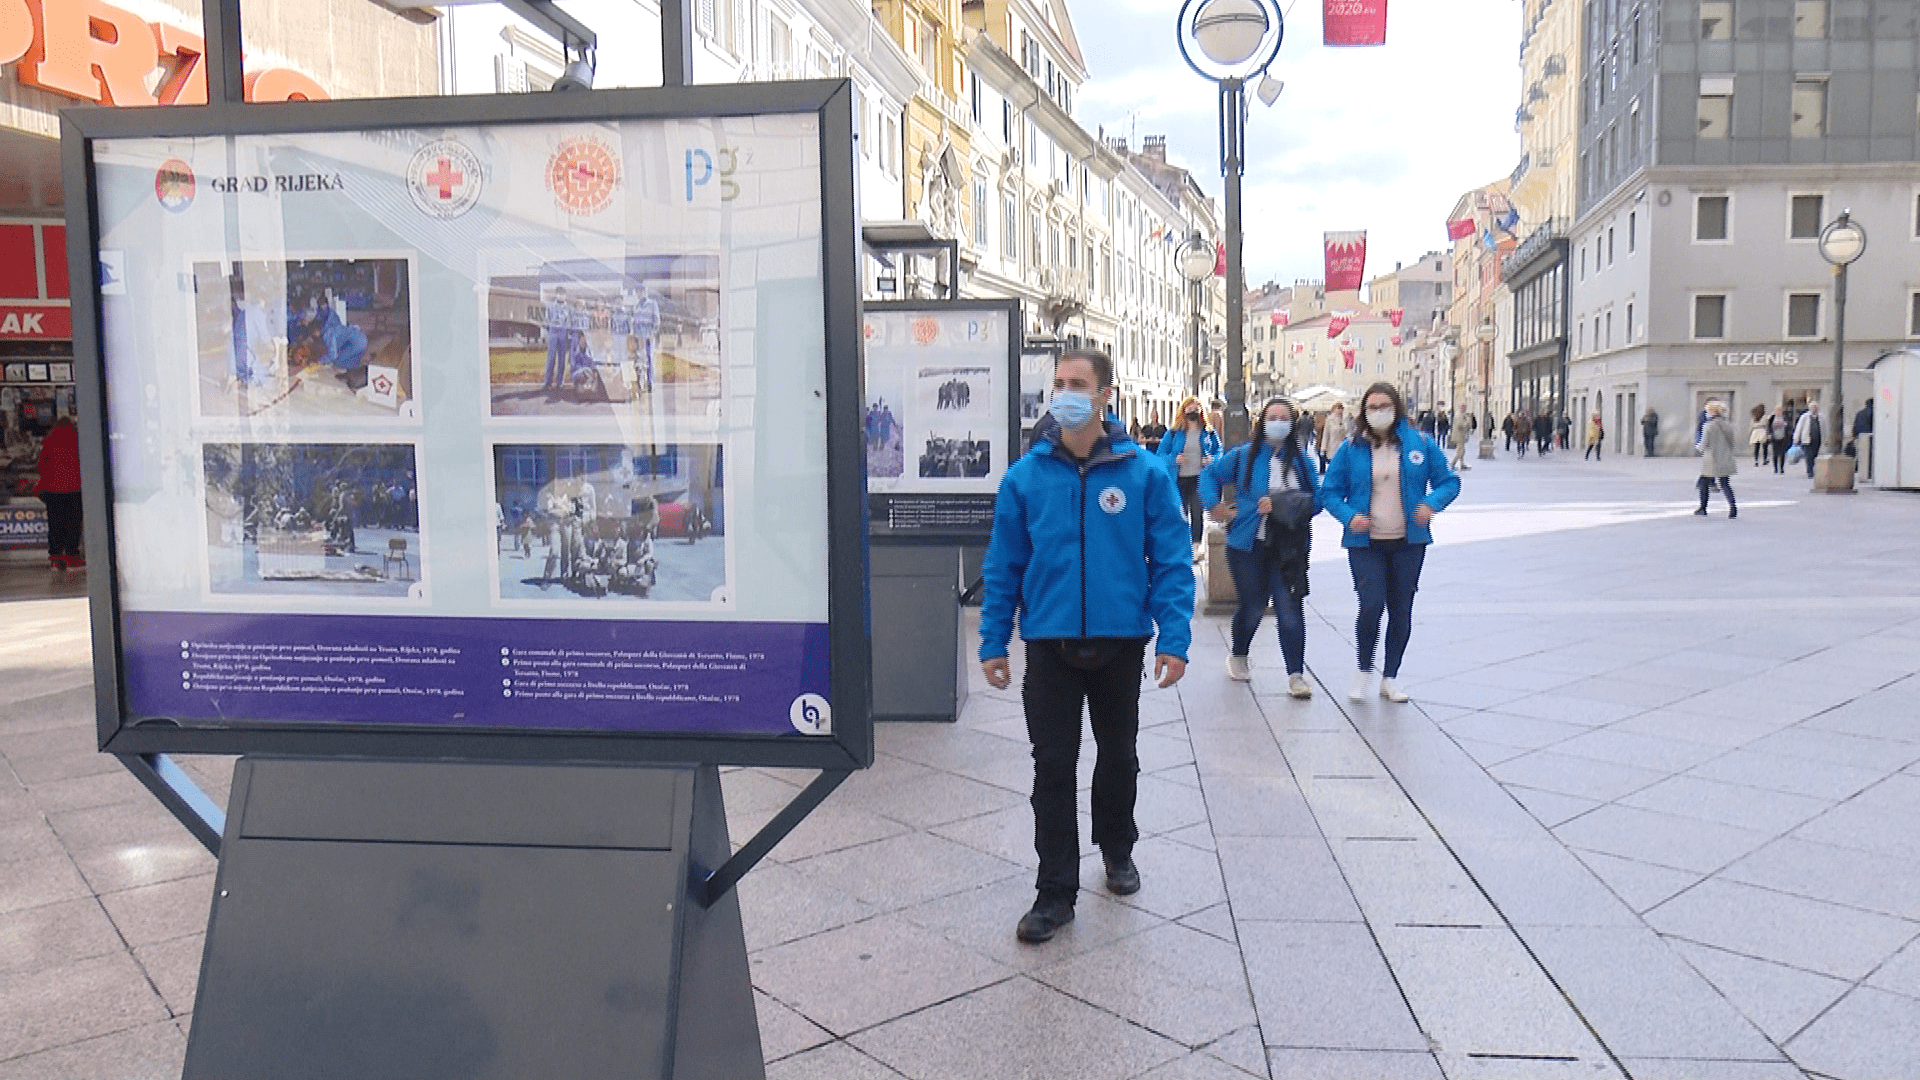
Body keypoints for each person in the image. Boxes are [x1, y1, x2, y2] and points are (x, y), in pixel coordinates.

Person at [979, 348, 1194, 945]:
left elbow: (1173, 561)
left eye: (1077, 384)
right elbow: (1004, 565)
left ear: (1104, 396)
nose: (1063, 392)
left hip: (1119, 643)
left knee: (1118, 755)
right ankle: (1054, 892)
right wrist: (994, 639)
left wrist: (1173, 638)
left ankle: (1118, 847)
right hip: (1049, 644)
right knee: (1052, 766)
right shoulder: (1024, 478)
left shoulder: (1144, 474)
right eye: (1057, 383)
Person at [1320, 383, 1461, 705]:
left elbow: (1449, 481)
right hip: (1365, 542)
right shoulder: (1350, 447)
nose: (1378, 412)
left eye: (1385, 406)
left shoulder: (1419, 444)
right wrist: (1347, 515)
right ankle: (1363, 670)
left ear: (1396, 408)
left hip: (1408, 542)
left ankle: (1391, 676)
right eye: (1372, 407)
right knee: (1370, 606)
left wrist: (1431, 504)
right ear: (1364, 412)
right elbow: (1329, 490)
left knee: (1401, 610)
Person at [1202, 396, 1319, 696]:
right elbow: (1210, 475)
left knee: (1290, 609)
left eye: (1284, 417)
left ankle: (1296, 674)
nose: (1277, 422)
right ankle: (1238, 654)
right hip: (1247, 545)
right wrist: (1215, 507)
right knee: (1253, 607)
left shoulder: (1303, 462)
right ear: (1262, 421)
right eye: (1272, 416)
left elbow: (1316, 501)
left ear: (1292, 424)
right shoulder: (1245, 456)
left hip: (1288, 548)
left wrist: (1282, 504)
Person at [1156, 396, 1222, 550]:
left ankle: (1196, 546)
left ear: (1201, 411)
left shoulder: (1208, 432)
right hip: (1179, 479)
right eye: (1190, 409)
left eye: (1196, 409)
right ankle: (1182, 545)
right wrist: (1174, 458)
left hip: (1200, 478)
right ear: (1183, 411)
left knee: (1197, 512)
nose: (1193, 412)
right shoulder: (1174, 433)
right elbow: (1160, 455)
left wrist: (1212, 459)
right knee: (1180, 513)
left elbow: (1219, 450)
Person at [35, 414, 83, 574]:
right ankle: (72, 558)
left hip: (52, 489)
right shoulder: (80, 438)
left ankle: (56, 559)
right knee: (73, 523)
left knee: (55, 524)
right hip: (75, 488)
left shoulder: (49, 439)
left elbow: (42, 465)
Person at [1696, 400, 1738, 518]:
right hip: (1724, 456)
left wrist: (1698, 448)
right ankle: (1733, 506)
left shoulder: (1708, 426)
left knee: (1704, 483)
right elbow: (1732, 443)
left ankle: (1703, 507)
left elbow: (1703, 443)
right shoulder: (1728, 425)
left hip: (1711, 458)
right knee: (1725, 483)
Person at [1317, 402, 1351, 471]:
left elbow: (1349, 432)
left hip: (1344, 447)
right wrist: (1323, 449)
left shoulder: (1345, 419)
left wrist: (1345, 421)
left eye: (1342, 408)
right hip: (1332, 448)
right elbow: (1326, 435)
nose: (1340, 410)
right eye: (1338, 408)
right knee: (1334, 469)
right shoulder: (1329, 420)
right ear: (1334, 409)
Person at [1793, 403, 1823, 479]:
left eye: (1816, 407)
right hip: (1806, 440)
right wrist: (1796, 438)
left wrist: (1825, 439)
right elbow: (1799, 427)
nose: (1814, 409)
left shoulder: (1821, 417)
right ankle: (1810, 471)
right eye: (1813, 407)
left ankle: (1812, 468)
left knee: (1814, 455)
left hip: (1817, 440)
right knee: (1808, 456)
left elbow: (1824, 429)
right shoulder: (1805, 417)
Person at [1767, 406, 1793, 474]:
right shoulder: (1772, 418)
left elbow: (1789, 426)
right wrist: (1770, 434)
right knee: (1775, 454)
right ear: (1775, 411)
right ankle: (1775, 468)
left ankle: (1781, 468)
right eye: (1777, 410)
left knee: (1782, 454)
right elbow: (1769, 427)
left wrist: (1788, 432)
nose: (1779, 412)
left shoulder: (1785, 418)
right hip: (1775, 438)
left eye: (1780, 410)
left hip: (1783, 438)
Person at [1853, 401, 1874, 480]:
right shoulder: (1873, 412)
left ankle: (1862, 473)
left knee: (1861, 455)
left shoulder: (1860, 413)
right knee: (1869, 456)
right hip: (1870, 436)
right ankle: (1868, 473)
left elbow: (1855, 425)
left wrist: (1854, 435)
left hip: (1860, 436)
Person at [1448, 407, 1472, 471]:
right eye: (1464, 408)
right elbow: (1460, 425)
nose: (1465, 409)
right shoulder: (1459, 415)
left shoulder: (1461, 415)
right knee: (1460, 451)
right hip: (1459, 436)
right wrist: (1466, 423)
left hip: (1461, 436)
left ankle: (1462, 464)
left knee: (1462, 451)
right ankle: (1453, 464)